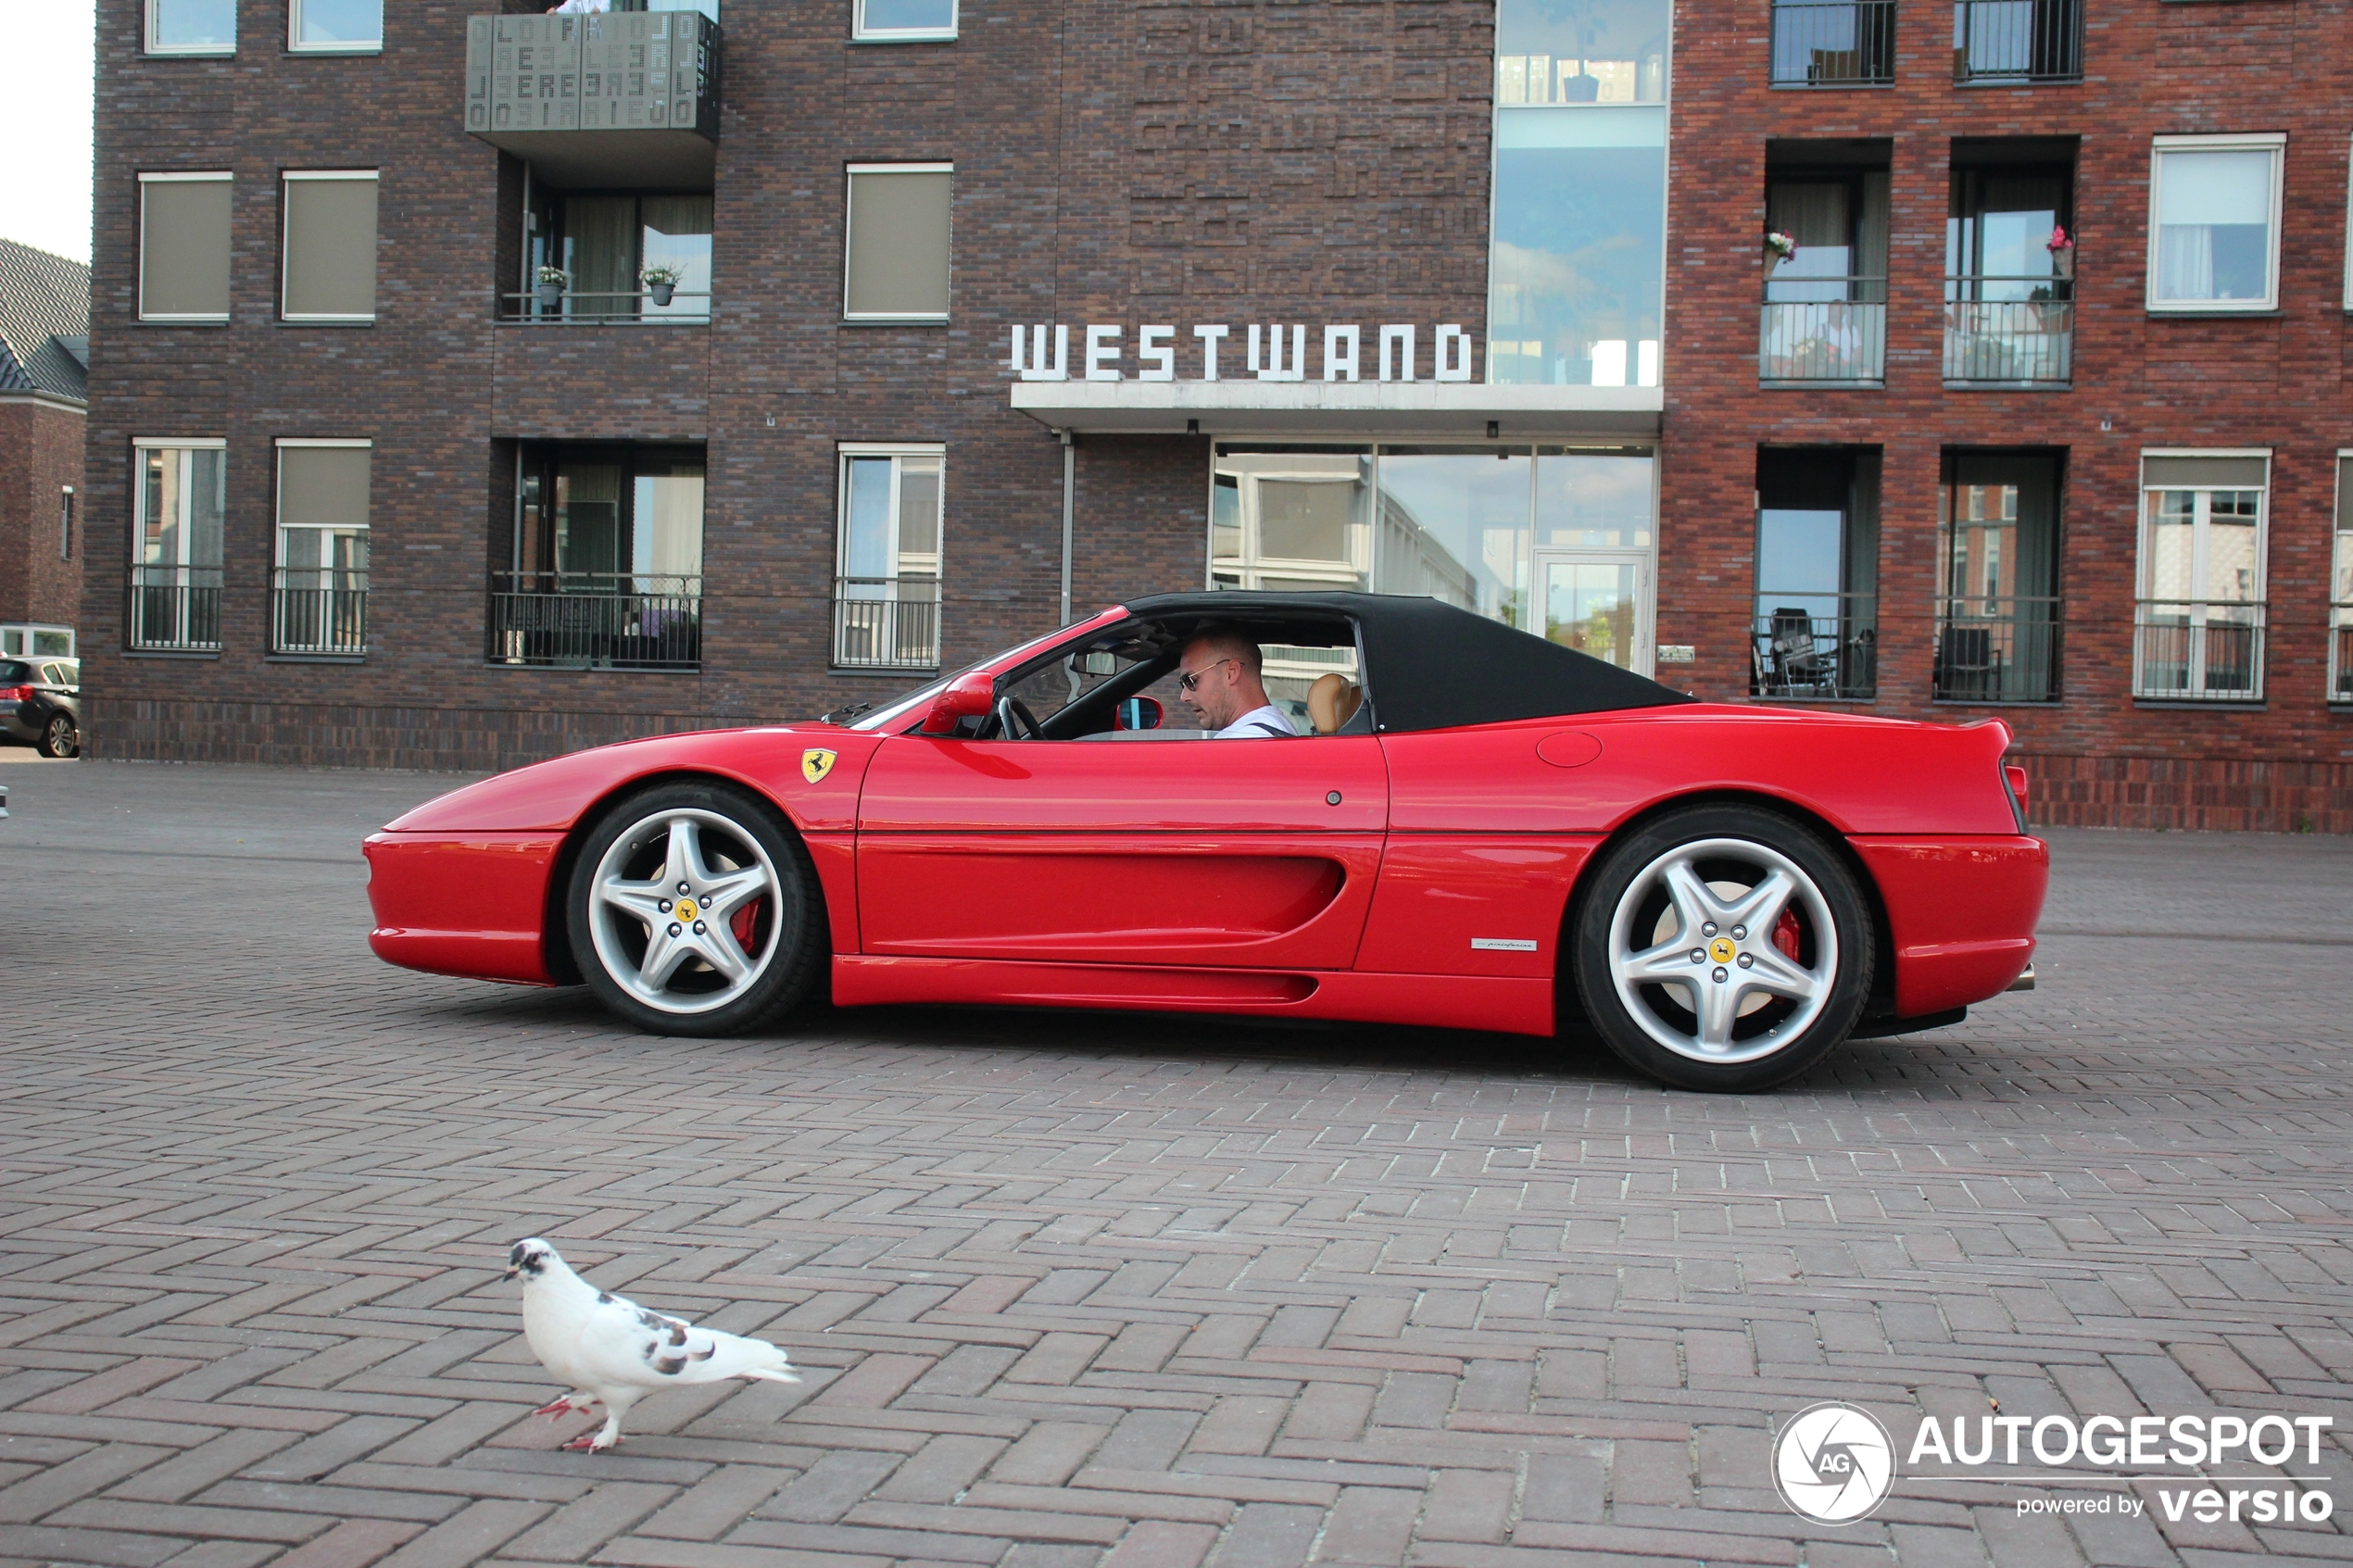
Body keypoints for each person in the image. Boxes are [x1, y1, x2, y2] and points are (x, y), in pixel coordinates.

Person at [1176, 628, 1293, 738]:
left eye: (1191, 680)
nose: (1184, 697)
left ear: (1231, 673)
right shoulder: (1273, 729)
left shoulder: (1250, 739)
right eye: (1183, 684)